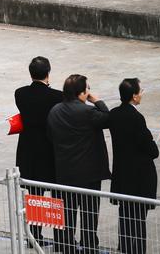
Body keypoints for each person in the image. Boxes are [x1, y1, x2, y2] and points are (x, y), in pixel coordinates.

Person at [47, 74, 111, 254]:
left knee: (67, 212)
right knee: (90, 212)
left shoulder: (55, 111)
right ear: (82, 93)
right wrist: (97, 100)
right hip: (89, 173)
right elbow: (107, 118)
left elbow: (50, 136)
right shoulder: (88, 112)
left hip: (65, 171)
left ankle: (67, 245)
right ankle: (89, 245)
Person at [14, 56, 63, 247]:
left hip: (29, 149)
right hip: (49, 149)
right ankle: (60, 237)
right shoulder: (56, 96)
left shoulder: (20, 93)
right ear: (48, 73)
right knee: (58, 194)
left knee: (35, 195)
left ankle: (34, 236)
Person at [107, 78, 158, 254]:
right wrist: (151, 139)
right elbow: (152, 150)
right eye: (140, 91)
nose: (142, 94)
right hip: (139, 179)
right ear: (134, 96)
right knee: (138, 222)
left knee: (125, 218)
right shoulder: (137, 118)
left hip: (122, 176)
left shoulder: (114, 114)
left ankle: (125, 249)